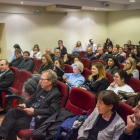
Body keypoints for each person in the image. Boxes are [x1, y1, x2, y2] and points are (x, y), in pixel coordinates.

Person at [0, 70, 62, 140]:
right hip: (28, 112)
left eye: (42, 79)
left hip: (36, 119)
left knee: (10, 125)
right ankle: (1, 135)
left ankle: (1, 135)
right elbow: (32, 98)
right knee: (11, 111)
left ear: (50, 81)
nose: (40, 81)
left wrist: (34, 111)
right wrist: (24, 104)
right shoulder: (41, 88)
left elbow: (52, 110)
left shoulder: (55, 94)